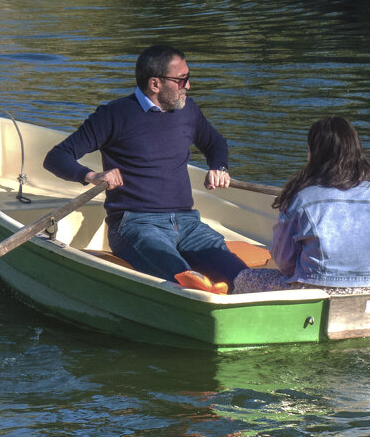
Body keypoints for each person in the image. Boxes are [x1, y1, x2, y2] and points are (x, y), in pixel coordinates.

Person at [43, 44, 248, 292]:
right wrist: (92, 175)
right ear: (155, 84)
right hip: (136, 224)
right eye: (182, 80)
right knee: (188, 282)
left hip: (188, 223)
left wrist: (219, 166)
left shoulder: (188, 111)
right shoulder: (113, 115)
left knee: (244, 278)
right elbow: (56, 157)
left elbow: (215, 142)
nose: (188, 86)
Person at [234, 116, 370, 295]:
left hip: (314, 295)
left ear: (315, 154)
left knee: (243, 278)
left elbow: (284, 263)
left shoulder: (302, 199)